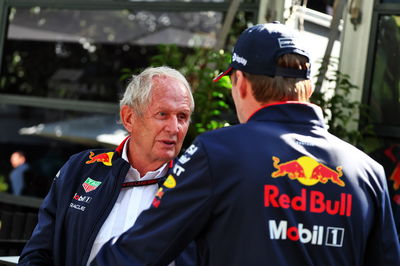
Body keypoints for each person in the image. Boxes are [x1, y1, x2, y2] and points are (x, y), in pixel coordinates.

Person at [91, 22, 400, 266]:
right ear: (306, 86)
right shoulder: (368, 172)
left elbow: (140, 251)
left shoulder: (218, 152)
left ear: (241, 82)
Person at [18, 66, 196, 265]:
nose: (174, 128)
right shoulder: (81, 169)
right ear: (129, 118)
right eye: (162, 114)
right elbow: (37, 254)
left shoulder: (197, 184)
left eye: (182, 117)